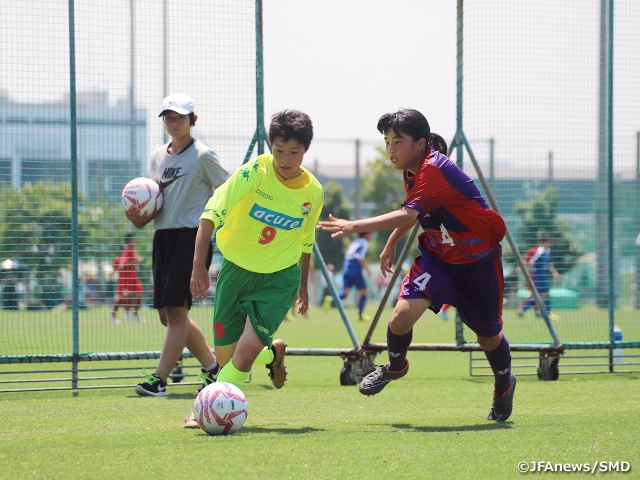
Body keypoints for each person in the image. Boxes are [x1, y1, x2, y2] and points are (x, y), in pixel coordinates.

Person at [318, 109, 516, 422]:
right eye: (387, 142)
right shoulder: (412, 172)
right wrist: (392, 241)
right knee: (400, 317)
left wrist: (353, 225)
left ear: (421, 144)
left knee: (487, 337)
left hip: (477, 261)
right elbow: (414, 212)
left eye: (398, 141)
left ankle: (504, 385)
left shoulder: (435, 168)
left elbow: (408, 214)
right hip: (438, 259)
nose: (390, 149)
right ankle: (395, 366)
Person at [185, 109, 323, 427]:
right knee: (225, 356)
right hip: (235, 270)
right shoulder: (254, 173)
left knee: (242, 356)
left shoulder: (313, 193)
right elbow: (210, 215)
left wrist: (302, 284)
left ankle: (203, 407)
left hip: (279, 278)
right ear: (270, 146)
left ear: (306, 151)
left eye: (295, 152)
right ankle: (272, 354)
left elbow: (305, 241)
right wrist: (199, 267)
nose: (286, 159)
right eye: (279, 150)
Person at [125, 93, 230, 397]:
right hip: (163, 237)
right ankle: (213, 368)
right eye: (168, 117)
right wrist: (139, 216)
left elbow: (226, 189)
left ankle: (159, 380)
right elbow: (154, 200)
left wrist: (216, 227)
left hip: (191, 236)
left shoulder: (203, 155)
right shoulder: (158, 156)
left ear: (192, 120)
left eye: (180, 117)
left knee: (175, 312)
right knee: (166, 314)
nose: (174, 122)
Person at [517, 234, 562, 318]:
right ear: (544, 242)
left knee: (542, 295)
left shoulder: (548, 251)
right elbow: (529, 261)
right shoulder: (539, 251)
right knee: (538, 295)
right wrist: (526, 271)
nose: (550, 244)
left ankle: (524, 310)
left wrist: (555, 274)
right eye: (549, 242)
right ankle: (524, 309)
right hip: (537, 276)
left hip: (542, 276)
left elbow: (550, 265)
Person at [110, 232, 145, 324]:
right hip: (126, 279)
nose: (136, 240)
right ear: (130, 240)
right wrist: (135, 262)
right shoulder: (127, 250)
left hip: (133, 278)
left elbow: (136, 259)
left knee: (139, 292)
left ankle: (134, 314)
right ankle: (114, 314)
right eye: (134, 238)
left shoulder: (132, 250)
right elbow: (124, 263)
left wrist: (136, 262)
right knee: (122, 297)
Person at [340, 232, 373, 321]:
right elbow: (359, 257)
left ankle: (330, 299)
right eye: (370, 234)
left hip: (346, 269)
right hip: (355, 271)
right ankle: (360, 315)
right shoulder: (364, 243)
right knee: (364, 293)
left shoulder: (354, 242)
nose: (371, 236)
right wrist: (367, 270)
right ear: (365, 235)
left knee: (345, 294)